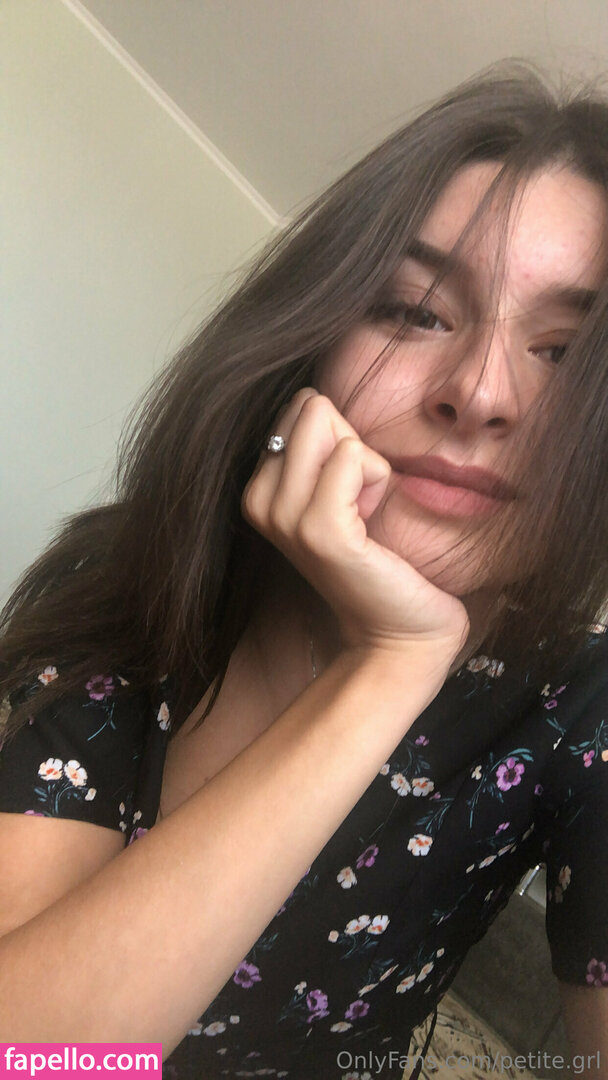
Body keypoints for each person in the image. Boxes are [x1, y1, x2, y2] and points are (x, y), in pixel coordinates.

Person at [0, 61, 607, 1080]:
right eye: (416, 311)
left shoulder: (583, 707)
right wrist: (390, 663)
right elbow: (32, 1056)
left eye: (566, 355)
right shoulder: (142, 567)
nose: (481, 393)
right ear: (309, 344)